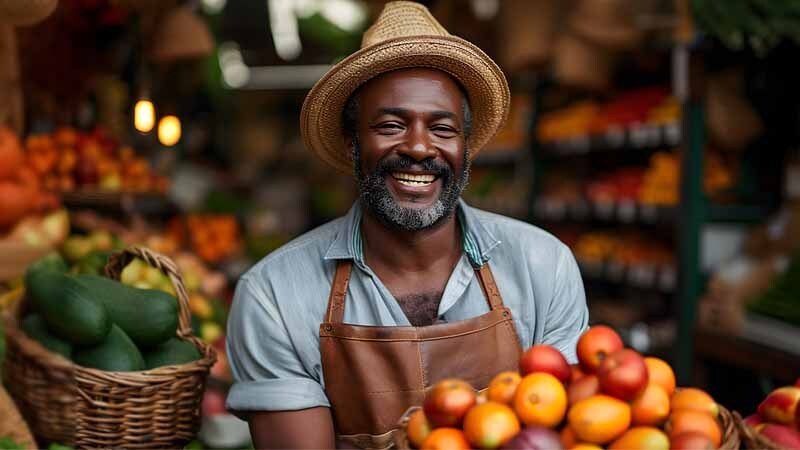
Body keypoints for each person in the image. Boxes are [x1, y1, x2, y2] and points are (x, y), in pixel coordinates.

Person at [226, 2, 588, 448]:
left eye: (442, 129)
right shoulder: (275, 296)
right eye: (391, 125)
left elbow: (571, 429)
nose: (419, 147)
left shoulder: (543, 266)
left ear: (465, 146)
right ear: (352, 142)